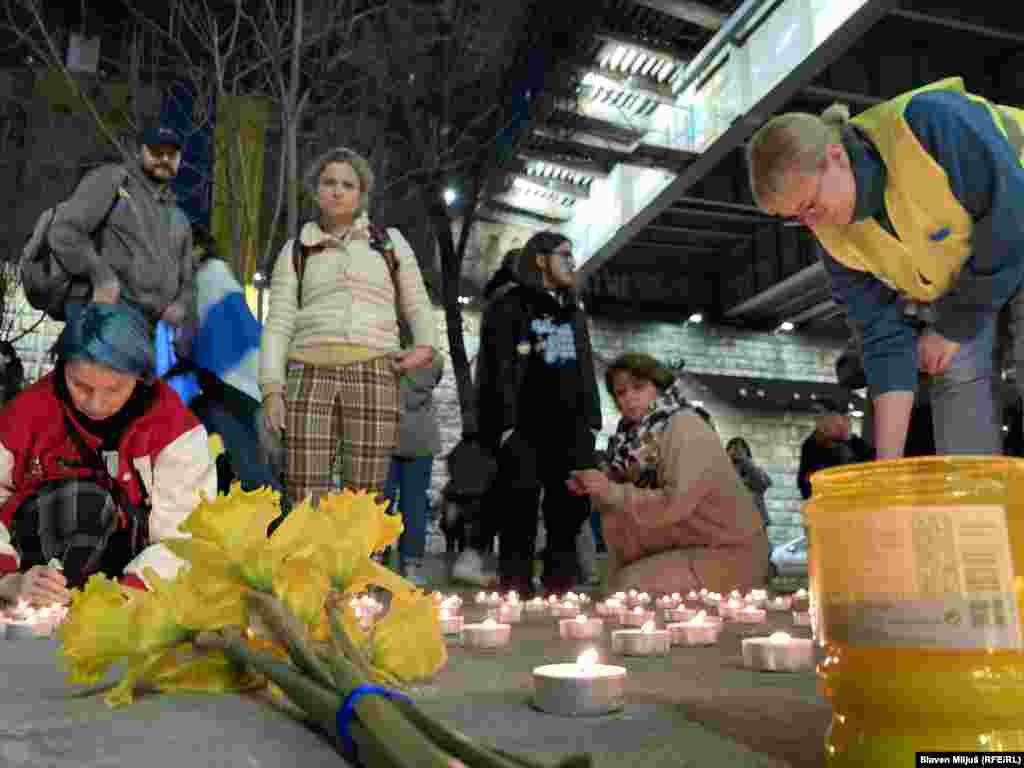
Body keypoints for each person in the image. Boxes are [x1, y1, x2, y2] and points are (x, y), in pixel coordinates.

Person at [747, 76, 1024, 459]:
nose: (811, 223)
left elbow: (1012, 223)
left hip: (1016, 215)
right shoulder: (834, 238)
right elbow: (882, 337)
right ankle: (975, 495)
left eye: (810, 204)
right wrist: (885, 468)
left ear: (835, 156)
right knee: (955, 370)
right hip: (969, 268)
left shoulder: (929, 124)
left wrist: (952, 327)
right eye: (796, 217)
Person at [0, 303, 217, 605]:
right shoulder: (27, 414)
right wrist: (9, 580)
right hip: (35, 561)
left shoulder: (174, 430)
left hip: (130, 573)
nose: (96, 404)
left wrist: (123, 598)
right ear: (62, 366)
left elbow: (186, 535)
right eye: (80, 385)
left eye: (114, 389)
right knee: (83, 500)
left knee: (93, 503)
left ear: (140, 376)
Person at [259, 148, 436, 505]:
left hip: (374, 371)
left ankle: (360, 546)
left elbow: (417, 301)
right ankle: (304, 545)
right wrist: (272, 389)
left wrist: (425, 346)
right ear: (316, 191)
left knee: (365, 501)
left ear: (361, 195)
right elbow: (278, 322)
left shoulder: (388, 243)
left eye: (348, 185)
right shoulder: (296, 250)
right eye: (329, 182)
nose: (338, 191)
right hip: (308, 375)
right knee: (304, 496)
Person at [456, 234, 602, 596]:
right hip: (523, 427)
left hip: (572, 429)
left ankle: (559, 590)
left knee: (567, 515)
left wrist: (592, 421)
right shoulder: (508, 305)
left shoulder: (573, 310)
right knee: (518, 515)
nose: (572, 262)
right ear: (540, 259)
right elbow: (494, 369)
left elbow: (585, 368)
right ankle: (516, 591)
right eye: (564, 254)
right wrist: (504, 425)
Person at [568, 353, 769, 595]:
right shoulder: (629, 443)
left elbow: (674, 504)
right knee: (616, 588)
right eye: (620, 393)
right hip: (691, 546)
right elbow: (624, 507)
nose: (629, 397)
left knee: (627, 588)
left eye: (638, 387)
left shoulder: (685, 426)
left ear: (659, 386)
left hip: (729, 553)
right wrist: (593, 489)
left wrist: (608, 490)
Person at [48, 122, 194, 330]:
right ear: (139, 151)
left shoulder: (180, 219)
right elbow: (64, 231)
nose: (164, 159)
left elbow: (188, 281)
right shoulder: (112, 180)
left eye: (172, 154)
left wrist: (181, 305)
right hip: (105, 313)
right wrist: (101, 275)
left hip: (151, 329)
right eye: (156, 151)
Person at [169, 228, 280, 494]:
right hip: (237, 383)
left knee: (248, 467)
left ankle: (278, 512)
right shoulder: (216, 274)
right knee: (213, 450)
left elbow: (202, 334)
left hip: (232, 386)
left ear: (196, 249)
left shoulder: (209, 276)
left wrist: (181, 361)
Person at [384, 349, 444, 586]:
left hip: (387, 436)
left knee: (381, 503)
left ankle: (376, 561)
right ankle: (411, 566)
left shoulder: (387, 357)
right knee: (416, 505)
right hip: (421, 440)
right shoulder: (434, 360)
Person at [796, 399, 874, 500]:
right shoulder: (811, 445)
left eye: (823, 416)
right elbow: (804, 485)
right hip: (825, 501)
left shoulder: (855, 443)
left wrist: (848, 438)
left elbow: (871, 467)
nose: (819, 421)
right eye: (816, 417)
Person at [726, 437, 772, 530]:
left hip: (756, 523)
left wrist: (745, 461)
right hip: (734, 522)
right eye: (734, 449)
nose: (737, 452)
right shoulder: (725, 470)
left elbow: (762, 485)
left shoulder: (755, 469)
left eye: (740, 449)